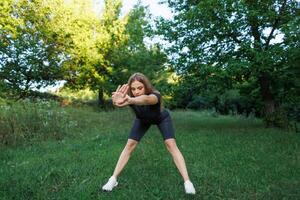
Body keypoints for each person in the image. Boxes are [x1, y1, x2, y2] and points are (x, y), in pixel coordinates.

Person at [101, 73, 196, 194]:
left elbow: (145, 100)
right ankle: (113, 179)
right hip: (142, 120)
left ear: (146, 86)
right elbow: (121, 102)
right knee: (129, 145)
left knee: (171, 144)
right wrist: (117, 102)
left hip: (161, 118)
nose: (136, 91)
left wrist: (131, 100)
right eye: (133, 89)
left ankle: (187, 182)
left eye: (140, 88)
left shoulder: (155, 95)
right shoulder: (129, 97)